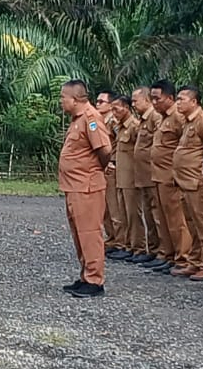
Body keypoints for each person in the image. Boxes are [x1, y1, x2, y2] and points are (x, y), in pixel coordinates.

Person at [58, 79, 111, 298]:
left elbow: (105, 150)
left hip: (87, 186)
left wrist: (94, 170)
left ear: (75, 99)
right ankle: (86, 275)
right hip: (75, 186)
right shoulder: (77, 119)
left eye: (63, 97)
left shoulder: (91, 118)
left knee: (89, 233)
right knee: (79, 233)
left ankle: (95, 280)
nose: (61, 101)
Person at [173, 86, 203, 280]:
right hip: (184, 182)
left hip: (196, 182)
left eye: (181, 99)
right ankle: (195, 261)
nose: (178, 103)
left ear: (194, 102)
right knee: (192, 225)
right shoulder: (187, 122)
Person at [150, 80, 189, 274]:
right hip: (159, 176)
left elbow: (186, 146)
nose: (154, 103)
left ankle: (183, 257)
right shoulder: (163, 117)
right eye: (152, 99)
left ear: (170, 98)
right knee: (164, 219)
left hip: (171, 176)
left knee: (176, 220)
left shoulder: (178, 118)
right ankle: (168, 254)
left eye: (157, 98)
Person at [132, 87, 169, 269]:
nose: (133, 104)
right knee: (148, 214)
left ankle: (164, 251)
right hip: (143, 175)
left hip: (154, 173)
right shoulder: (142, 120)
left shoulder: (155, 117)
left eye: (135, 100)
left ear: (146, 100)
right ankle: (153, 249)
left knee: (157, 215)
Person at [110, 96, 149, 263]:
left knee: (133, 214)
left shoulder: (134, 126)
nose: (114, 112)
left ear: (126, 108)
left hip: (132, 177)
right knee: (123, 213)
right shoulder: (119, 127)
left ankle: (139, 247)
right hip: (121, 176)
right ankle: (127, 245)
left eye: (117, 108)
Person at [97, 90, 128, 259]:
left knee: (115, 207)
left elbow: (119, 144)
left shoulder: (114, 122)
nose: (97, 104)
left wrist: (113, 161)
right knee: (106, 209)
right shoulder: (100, 121)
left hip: (111, 168)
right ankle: (112, 238)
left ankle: (120, 241)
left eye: (101, 102)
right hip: (102, 168)